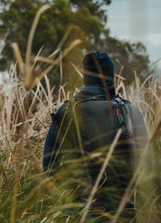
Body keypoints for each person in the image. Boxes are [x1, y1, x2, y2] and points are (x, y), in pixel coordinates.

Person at [42, 51, 152, 211]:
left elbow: (49, 166)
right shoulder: (130, 111)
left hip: (78, 215)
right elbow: (147, 166)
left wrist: (70, 194)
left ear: (85, 78)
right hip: (121, 213)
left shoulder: (66, 111)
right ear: (111, 77)